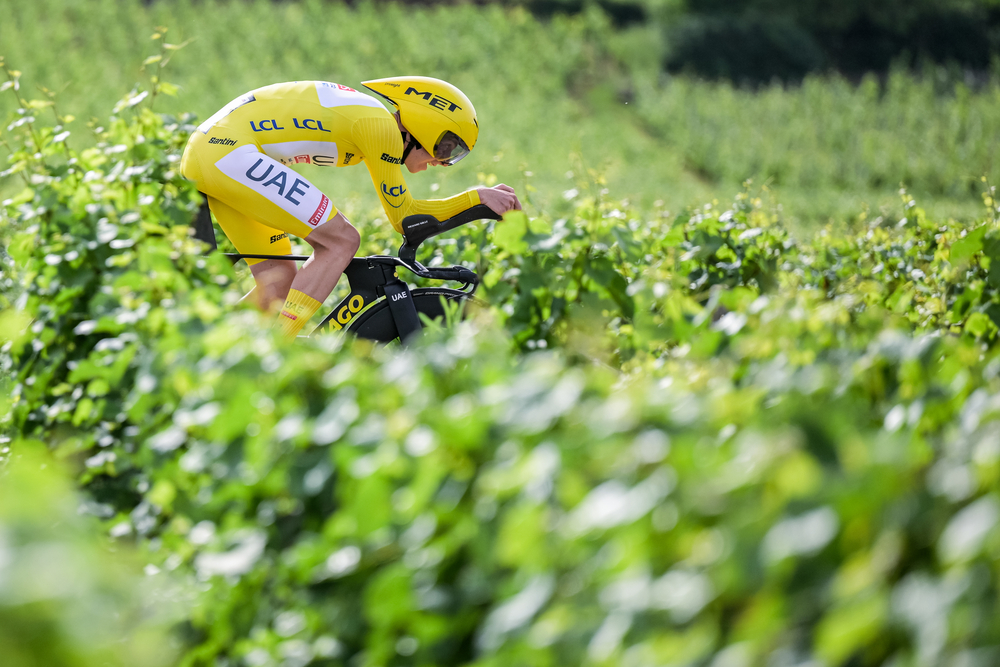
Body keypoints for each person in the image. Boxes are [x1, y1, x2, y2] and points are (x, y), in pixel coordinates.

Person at [180, 77, 521, 338]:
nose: (444, 161)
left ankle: (209, 352)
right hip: (225, 150)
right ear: (424, 124)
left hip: (218, 150)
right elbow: (405, 218)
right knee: (341, 240)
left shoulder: (375, 121)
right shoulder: (382, 129)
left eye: (455, 154)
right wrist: (476, 199)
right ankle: (277, 351)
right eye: (447, 147)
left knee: (278, 279)